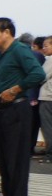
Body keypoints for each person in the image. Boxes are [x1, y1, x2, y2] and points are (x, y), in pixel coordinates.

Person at [0, 18, 46, 196]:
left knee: (16, 158)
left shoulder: (19, 50)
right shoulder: (0, 56)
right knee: (3, 158)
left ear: (7, 32)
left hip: (17, 109)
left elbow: (37, 74)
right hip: (1, 110)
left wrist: (16, 89)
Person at [39, 36, 52, 164]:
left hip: (48, 96)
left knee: (48, 127)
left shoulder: (50, 60)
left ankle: (49, 154)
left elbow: (41, 76)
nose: (44, 48)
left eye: (46, 45)